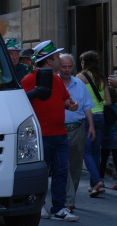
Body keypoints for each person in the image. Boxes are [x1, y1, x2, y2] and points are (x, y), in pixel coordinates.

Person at [21, 40, 79, 221]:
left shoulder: (57, 80)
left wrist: (71, 104)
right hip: (41, 137)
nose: (59, 60)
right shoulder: (29, 79)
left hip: (60, 135)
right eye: (56, 57)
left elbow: (65, 100)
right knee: (41, 175)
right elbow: (22, 105)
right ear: (48, 61)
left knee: (61, 171)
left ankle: (59, 208)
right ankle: (39, 206)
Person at [58, 53, 95, 210]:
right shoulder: (54, 83)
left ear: (73, 67)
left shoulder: (79, 84)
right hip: (59, 129)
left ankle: (69, 197)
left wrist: (91, 126)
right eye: (63, 66)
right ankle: (68, 200)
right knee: (62, 165)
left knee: (75, 166)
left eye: (69, 66)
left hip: (78, 128)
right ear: (58, 67)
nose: (67, 70)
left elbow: (87, 106)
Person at [76, 50, 111, 197]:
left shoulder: (80, 77)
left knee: (86, 151)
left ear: (83, 63)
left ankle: (97, 181)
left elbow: (77, 98)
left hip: (87, 117)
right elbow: (108, 101)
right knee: (96, 152)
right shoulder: (102, 78)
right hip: (101, 117)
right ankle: (94, 185)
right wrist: (99, 103)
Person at [100, 86, 117, 190]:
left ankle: (100, 180)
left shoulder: (103, 107)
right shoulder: (116, 106)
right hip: (116, 134)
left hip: (106, 134)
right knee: (116, 159)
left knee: (103, 160)